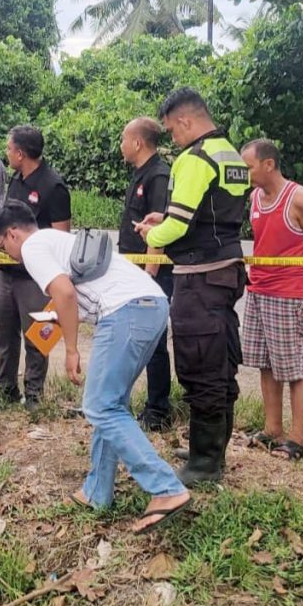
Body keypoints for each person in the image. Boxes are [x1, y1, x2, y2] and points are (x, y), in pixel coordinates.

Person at [0, 200, 191, 534]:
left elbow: (65, 293)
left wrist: (70, 349)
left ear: (11, 234)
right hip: (147, 305)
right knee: (110, 405)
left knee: (98, 406)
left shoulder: (34, 247)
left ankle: (165, 488)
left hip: (127, 311)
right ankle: (97, 491)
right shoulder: (57, 241)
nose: (7, 254)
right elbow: (78, 298)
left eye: (2, 246)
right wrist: (57, 320)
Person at [135, 88, 249, 487]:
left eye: (172, 131)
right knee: (220, 362)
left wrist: (154, 230)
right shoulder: (230, 154)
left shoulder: (195, 158)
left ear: (185, 121)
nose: (173, 139)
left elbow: (179, 225)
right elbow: (208, 212)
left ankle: (204, 464)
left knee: (200, 366)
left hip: (200, 276)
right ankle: (211, 448)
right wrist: (165, 217)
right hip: (224, 271)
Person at [240, 139, 303, 461]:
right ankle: (272, 429)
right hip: (259, 290)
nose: (245, 172)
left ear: (269, 164)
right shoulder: (253, 197)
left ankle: (297, 439)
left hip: (290, 295)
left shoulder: (299, 198)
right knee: (266, 363)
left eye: (249, 166)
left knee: (294, 368)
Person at [0, 125, 71, 410]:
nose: (7, 153)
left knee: (39, 336)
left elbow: (62, 236)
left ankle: (35, 395)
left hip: (36, 278)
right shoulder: (16, 179)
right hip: (8, 273)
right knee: (4, 331)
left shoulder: (53, 186)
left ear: (21, 153)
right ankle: (5, 389)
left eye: (8, 148)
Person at [117, 117, 176, 432]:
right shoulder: (141, 173)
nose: (121, 145)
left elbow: (159, 232)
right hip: (132, 269)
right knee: (133, 338)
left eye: (124, 139)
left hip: (149, 274)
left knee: (153, 341)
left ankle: (158, 410)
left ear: (138, 142)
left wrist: (149, 277)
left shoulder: (158, 176)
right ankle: (130, 402)